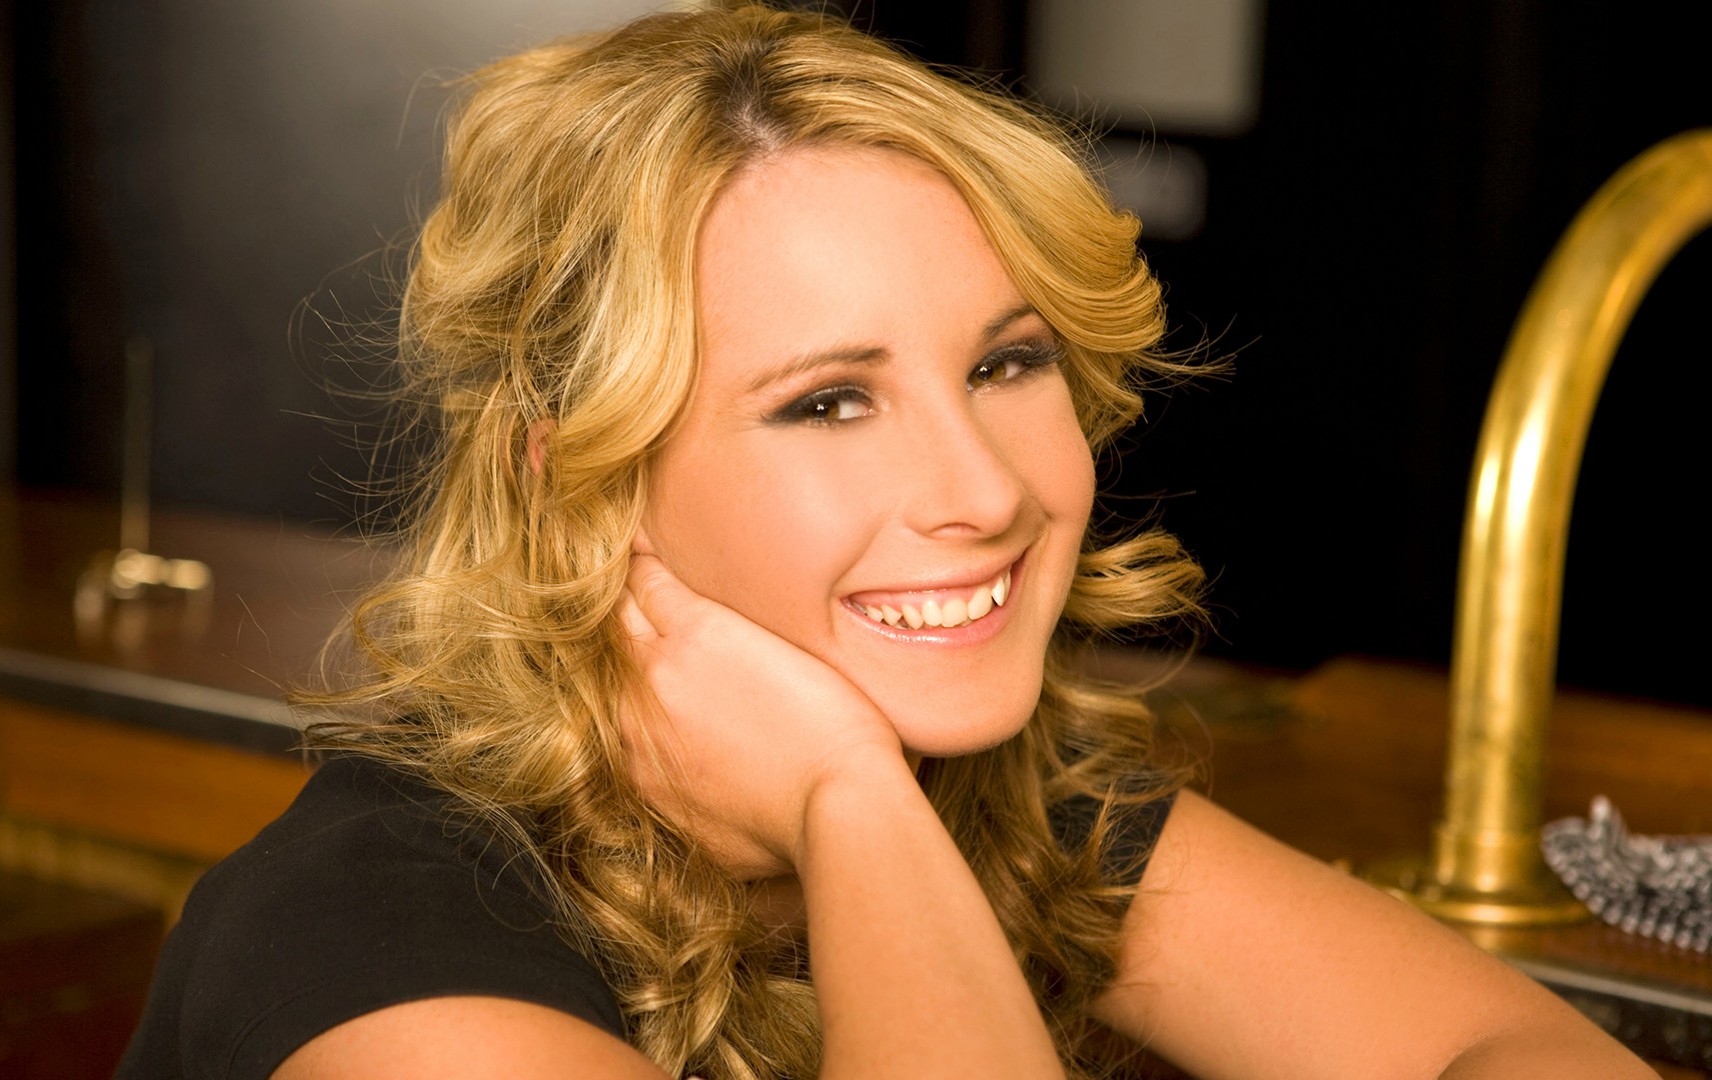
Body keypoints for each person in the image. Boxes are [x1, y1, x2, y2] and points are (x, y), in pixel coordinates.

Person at [118, 5, 1657, 1078]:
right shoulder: (375, 932)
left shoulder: (1014, 802)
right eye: (829, 401)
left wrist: (862, 804)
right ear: (578, 483)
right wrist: (847, 801)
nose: (984, 490)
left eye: (1006, 363)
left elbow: (1517, 1049)